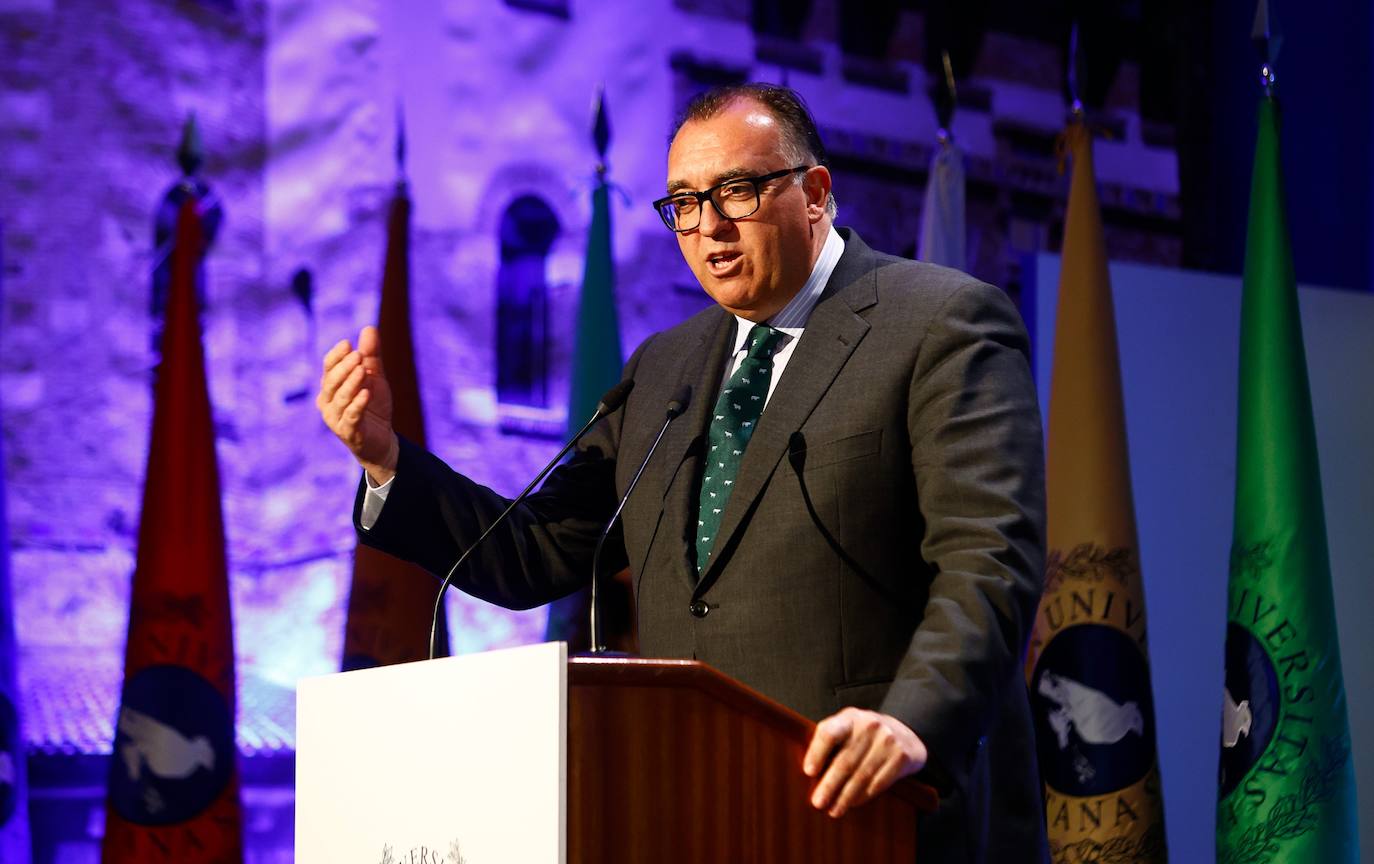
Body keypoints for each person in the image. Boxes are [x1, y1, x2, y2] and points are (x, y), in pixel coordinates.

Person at [317, 83, 1047, 863]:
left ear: (816, 193)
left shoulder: (940, 324)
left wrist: (912, 719)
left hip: (878, 811)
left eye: (737, 190)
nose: (709, 227)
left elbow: (988, 559)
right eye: (684, 203)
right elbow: (535, 550)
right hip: (698, 804)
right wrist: (385, 459)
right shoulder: (666, 369)